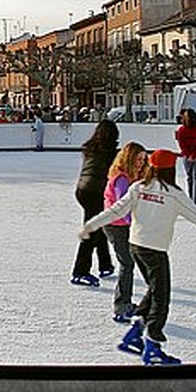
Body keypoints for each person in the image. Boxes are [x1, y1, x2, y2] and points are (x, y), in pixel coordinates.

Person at [79, 149, 196, 366]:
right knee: (161, 298)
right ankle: (153, 346)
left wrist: (91, 225)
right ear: (171, 169)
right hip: (154, 251)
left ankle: (135, 332)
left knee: (155, 289)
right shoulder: (173, 194)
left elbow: (116, 210)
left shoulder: (138, 187)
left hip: (136, 246)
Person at [102, 141, 149, 324]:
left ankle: (125, 303)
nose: (140, 163)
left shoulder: (133, 176)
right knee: (127, 263)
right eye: (138, 159)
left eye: (143, 160)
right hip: (116, 225)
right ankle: (121, 306)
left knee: (130, 262)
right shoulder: (121, 178)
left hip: (124, 225)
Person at [70, 119, 118, 286]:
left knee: (99, 226)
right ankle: (80, 271)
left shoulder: (90, 148)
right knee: (92, 231)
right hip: (95, 192)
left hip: (82, 190)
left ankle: (105, 264)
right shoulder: (110, 151)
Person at [175, 108, 196, 207]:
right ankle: (195, 201)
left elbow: (182, 144)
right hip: (195, 155)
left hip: (191, 156)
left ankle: (194, 201)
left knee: (192, 178)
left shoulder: (182, 130)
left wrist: (190, 155)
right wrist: (192, 155)